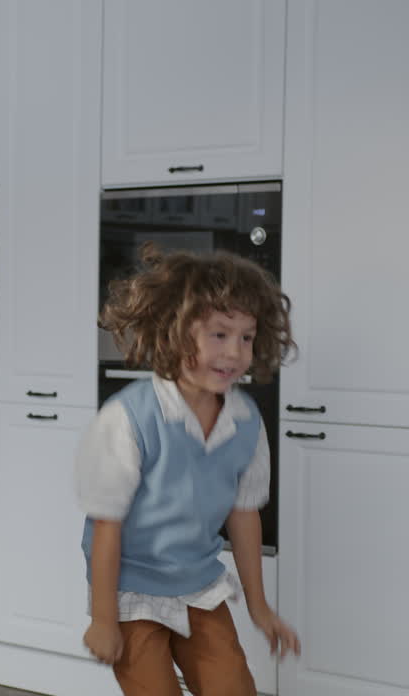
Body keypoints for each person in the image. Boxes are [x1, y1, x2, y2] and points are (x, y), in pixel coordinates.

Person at [76, 245, 302, 695]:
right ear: (176, 333)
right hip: (131, 592)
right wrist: (103, 618)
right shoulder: (128, 418)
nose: (234, 352)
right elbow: (107, 524)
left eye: (246, 337)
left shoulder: (246, 422)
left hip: (199, 584)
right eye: (219, 334)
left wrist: (259, 607)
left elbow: (244, 514)